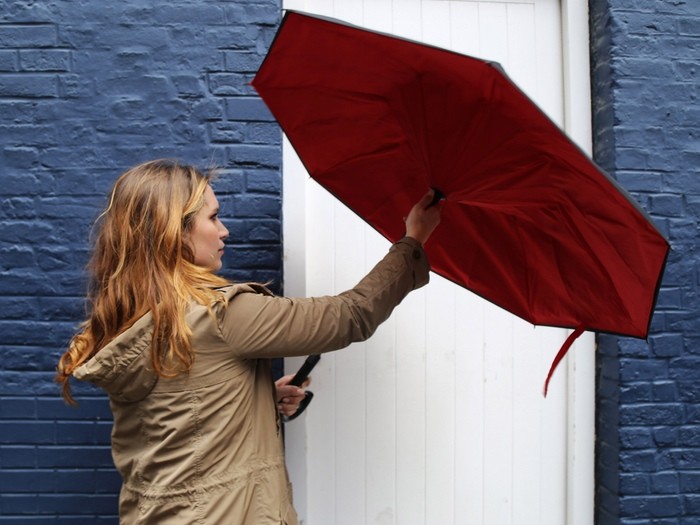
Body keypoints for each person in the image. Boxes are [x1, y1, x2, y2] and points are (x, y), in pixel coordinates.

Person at [56, 159, 441, 524]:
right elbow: (350, 316)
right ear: (176, 231)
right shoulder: (219, 316)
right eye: (213, 217)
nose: (224, 230)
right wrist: (413, 239)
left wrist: (253, 399)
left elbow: (175, 413)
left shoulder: (134, 318)